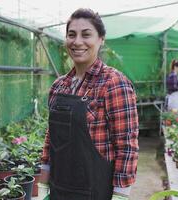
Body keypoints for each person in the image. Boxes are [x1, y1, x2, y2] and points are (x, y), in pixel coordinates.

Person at [38, 8, 139, 200]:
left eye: (86, 35)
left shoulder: (113, 83)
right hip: (59, 189)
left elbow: (126, 146)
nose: (77, 42)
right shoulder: (59, 86)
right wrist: (43, 185)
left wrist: (120, 195)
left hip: (95, 192)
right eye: (71, 35)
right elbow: (51, 139)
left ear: (101, 39)